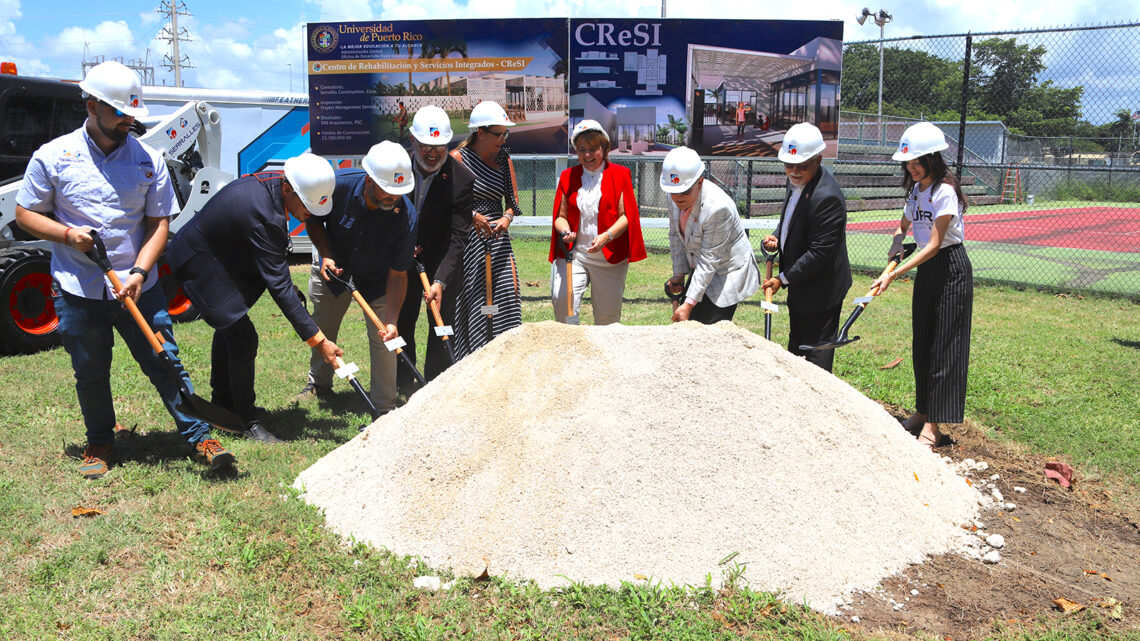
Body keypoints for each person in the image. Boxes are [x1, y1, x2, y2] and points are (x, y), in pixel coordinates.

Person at [14, 60, 235, 477]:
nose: (127, 120)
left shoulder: (149, 160)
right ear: (91, 106)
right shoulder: (54, 156)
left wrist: (137, 272)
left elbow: (159, 225)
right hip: (78, 287)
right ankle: (99, 441)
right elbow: (25, 214)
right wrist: (66, 235)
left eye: (131, 113)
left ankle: (199, 434)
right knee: (91, 370)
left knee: (164, 359)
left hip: (139, 284)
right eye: (119, 112)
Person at [169, 152, 344, 442]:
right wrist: (319, 340)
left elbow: (271, 265)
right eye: (307, 207)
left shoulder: (270, 188)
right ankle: (246, 419)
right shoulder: (264, 214)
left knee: (230, 325)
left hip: (216, 259)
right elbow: (278, 285)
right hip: (199, 264)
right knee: (241, 335)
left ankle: (224, 402)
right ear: (288, 188)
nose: (310, 215)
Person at [871, 122, 973, 450]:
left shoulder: (945, 191)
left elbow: (933, 244)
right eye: (908, 163)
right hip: (927, 272)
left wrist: (894, 274)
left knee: (945, 346)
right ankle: (921, 411)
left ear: (933, 158)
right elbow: (902, 226)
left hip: (950, 269)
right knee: (923, 341)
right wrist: (896, 243)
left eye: (917, 162)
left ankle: (933, 426)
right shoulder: (916, 190)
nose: (912, 167)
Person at [297, 141, 416, 414]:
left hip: (377, 278)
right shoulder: (337, 186)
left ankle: (384, 406)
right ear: (369, 179)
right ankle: (319, 383)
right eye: (388, 190)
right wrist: (326, 254)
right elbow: (314, 220)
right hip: (334, 270)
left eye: (399, 192)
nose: (393, 198)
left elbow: (399, 274)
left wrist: (392, 321)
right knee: (323, 327)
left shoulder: (406, 216)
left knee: (385, 338)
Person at [396, 105, 475, 393]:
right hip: (399, 259)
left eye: (439, 147)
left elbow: (458, 235)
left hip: (441, 260)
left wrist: (440, 280)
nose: (432, 153)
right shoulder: (396, 166)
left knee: (442, 325)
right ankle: (403, 384)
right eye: (426, 146)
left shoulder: (462, 180)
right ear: (413, 142)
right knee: (402, 320)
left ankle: (436, 387)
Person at [761, 122, 851, 373]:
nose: (794, 171)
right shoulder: (796, 182)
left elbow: (820, 252)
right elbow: (792, 218)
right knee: (797, 346)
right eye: (789, 165)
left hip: (822, 289)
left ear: (818, 159)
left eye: (802, 165)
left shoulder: (827, 197)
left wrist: (782, 278)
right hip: (801, 285)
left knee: (816, 355)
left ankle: (819, 405)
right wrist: (779, 236)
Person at [548, 119, 646, 324]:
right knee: (564, 306)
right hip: (575, 256)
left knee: (607, 319)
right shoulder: (568, 176)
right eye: (581, 149)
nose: (587, 155)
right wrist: (566, 232)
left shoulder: (620, 174)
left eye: (593, 149)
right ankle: (572, 349)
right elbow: (560, 216)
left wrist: (607, 236)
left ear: (604, 148)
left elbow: (626, 215)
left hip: (610, 259)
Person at [449, 101, 523, 357]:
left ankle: (507, 354)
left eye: (506, 134)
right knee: (476, 296)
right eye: (498, 134)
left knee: (505, 295)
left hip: (499, 240)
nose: (503, 139)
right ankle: (475, 355)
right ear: (480, 132)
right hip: (470, 242)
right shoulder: (458, 159)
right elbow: (447, 203)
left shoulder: (504, 159)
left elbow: (513, 202)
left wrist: (506, 218)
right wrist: (472, 215)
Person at [662, 146, 759, 324]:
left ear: (699, 182)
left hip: (727, 271)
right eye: (674, 192)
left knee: (707, 327)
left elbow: (709, 260)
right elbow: (675, 235)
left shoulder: (717, 208)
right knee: (691, 324)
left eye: (685, 192)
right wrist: (679, 274)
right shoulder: (673, 197)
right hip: (701, 265)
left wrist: (688, 304)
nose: (678, 198)